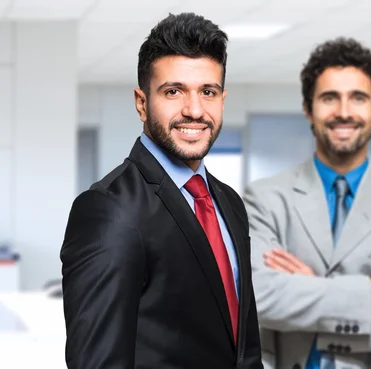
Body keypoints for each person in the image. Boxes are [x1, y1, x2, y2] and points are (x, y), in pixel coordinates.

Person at [60, 13, 262, 369]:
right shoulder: (109, 210)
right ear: (142, 103)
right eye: (173, 91)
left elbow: (242, 348)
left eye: (208, 92)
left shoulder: (229, 202)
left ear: (222, 99)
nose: (194, 110)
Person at [243, 37, 371, 369]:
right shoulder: (265, 199)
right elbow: (259, 299)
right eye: (329, 98)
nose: (344, 112)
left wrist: (310, 292)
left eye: (359, 98)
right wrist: (369, 292)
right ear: (309, 109)